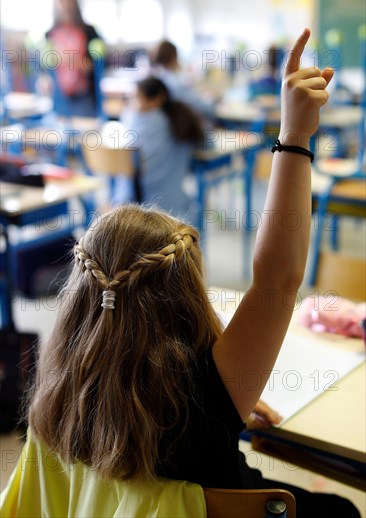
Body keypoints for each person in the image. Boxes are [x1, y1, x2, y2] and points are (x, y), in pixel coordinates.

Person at [18, 29, 360, 517]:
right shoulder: (203, 399)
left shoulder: (54, 393)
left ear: (79, 296)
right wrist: (296, 136)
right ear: (184, 300)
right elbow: (277, 279)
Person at [114, 76, 203, 220]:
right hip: (174, 214)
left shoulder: (134, 121)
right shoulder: (181, 121)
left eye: (136, 99)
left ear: (157, 99)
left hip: (128, 213)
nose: (132, 105)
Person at [45, 0, 101, 117]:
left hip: (84, 100)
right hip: (58, 101)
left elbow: (98, 66)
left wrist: (69, 59)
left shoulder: (89, 32)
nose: (63, 1)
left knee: (85, 137)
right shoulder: (49, 34)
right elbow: (46, 70)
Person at [151, 40, 216, 120]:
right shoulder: (176, 84)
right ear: (174, 57)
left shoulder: (157, 78)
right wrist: (212, 101)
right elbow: (203, 108)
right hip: (186, 126)